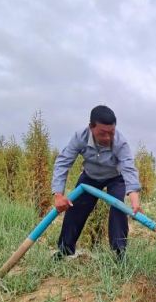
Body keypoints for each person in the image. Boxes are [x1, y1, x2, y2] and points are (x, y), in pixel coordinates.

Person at [51, 105, 142, 261]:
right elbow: (63, 162)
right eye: (102, 133)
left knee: (118, 209)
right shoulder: (80, 137)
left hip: (116, 177)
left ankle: (119, 254)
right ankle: (65, 250)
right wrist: (58, 194)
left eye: (111, 133)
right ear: (91, 127)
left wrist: (134, 198)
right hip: (90, 177)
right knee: (74, 208)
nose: (107, 138)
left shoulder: (120, 143)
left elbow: (128, 168)